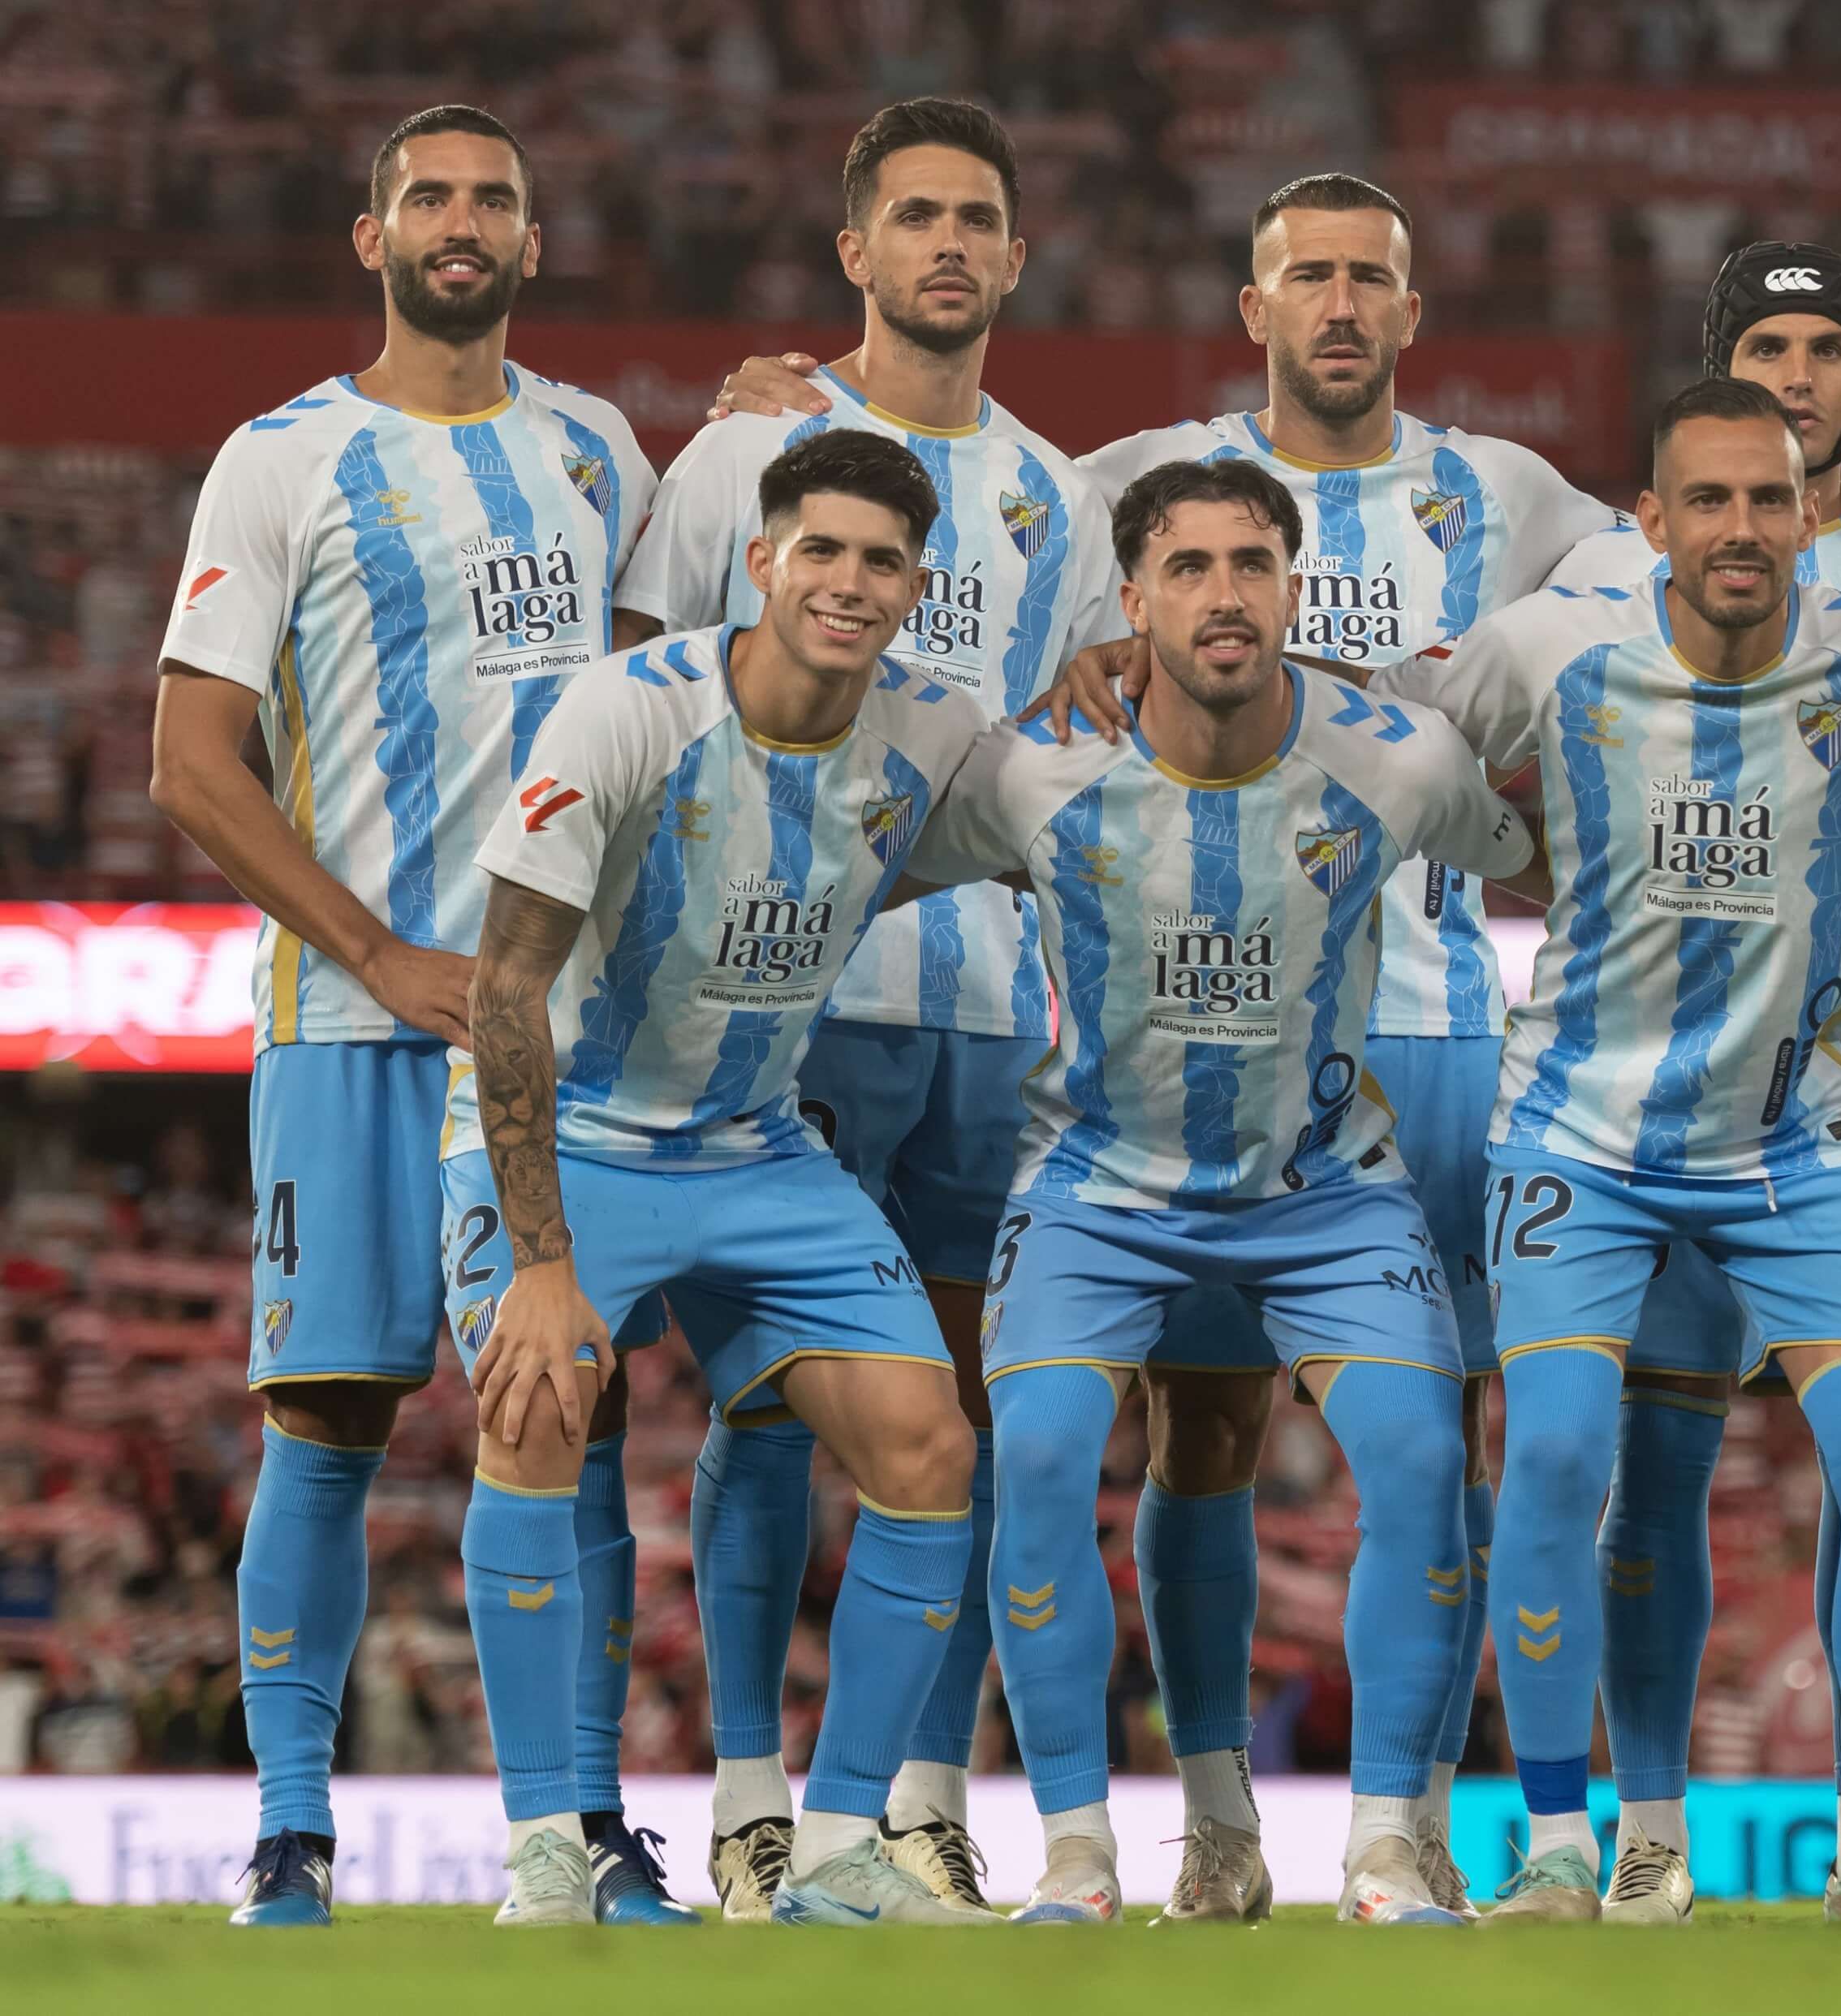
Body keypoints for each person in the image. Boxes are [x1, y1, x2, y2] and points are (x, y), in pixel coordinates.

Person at [709, 173, 1841, 1917]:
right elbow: (953, 516)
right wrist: (784, 404)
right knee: (1178, 1436)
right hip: (1166, 1051)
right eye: (1306, 274)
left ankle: (1420, 1829)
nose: (1339, 303)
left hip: (1448, 1044)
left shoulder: (1512, 497)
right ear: (1256, 305)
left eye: (1370, 276)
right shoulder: (1120, 477)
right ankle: (1134, 1811)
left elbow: (1708, 535)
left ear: (1409, 306)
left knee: (1466, 1458)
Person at [1352, 377, 1841, 1924]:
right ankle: (1554, 1849)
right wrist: (1501, 856)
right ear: (1649, 522)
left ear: (1811, 513)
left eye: (1770, 498)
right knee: (1556, 1456)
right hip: (1578, 1134)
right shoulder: (1551, 646)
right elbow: (1389, 741)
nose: (1743, 527)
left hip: (1798, 1142)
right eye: (1709, 501)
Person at [149, 105, 665, 1928]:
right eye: (429, 197)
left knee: (568, 1415)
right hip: (358, 1026)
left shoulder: (604, 451)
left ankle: (590, 1827)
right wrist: (373, 951)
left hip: (559, 1040)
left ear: (535, 239)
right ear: (368, 238)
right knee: (327, 1419)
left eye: (496, 198)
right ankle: (291, 1833)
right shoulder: (280, 458)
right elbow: (191, 765)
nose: (464, 222)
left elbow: (674, 701)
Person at [618, 97, 1123, 1919]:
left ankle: (914, 1801)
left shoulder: (1059, 494)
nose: (946, 244)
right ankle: (753, 1799)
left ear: (1013, 252)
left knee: (955, 1412)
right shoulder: (750, 446)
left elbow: (1058, 740)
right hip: (784, 1007)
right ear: (853, 249)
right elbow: (645, 676)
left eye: (977, 217)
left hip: (993, 1010)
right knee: (767, 1410)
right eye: (912, 214)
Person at [905, 459, 1532, 1928]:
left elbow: (1558, 864)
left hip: (1326, 1188)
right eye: (1186, 567)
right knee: (1046, 1462)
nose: (1223, 593)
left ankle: (1384, 1845)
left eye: (1252, 563)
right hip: (1096, 1187)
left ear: (1292, 588)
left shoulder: (1401, 758)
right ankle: (1081, 1849)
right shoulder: (1031, 766)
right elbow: (855, 869)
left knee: (1428, 1463)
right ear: (1132, 599)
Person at [443, 429, 994, 1928]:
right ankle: (546, 1847)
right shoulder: (626, 712)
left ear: (912, 588)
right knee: (541, 1399)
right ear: (762, 559)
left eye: (881, 561)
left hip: (758, 1142)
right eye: (820, 549)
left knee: (929, 1442)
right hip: (582, 1131)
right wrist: (544, 1260)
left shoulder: (940, 730)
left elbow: (1078, 813)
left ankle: (831, 1852)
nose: (848, 581)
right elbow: (503, 992)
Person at [1541, 243, 1841, 1923]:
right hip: (1645, 1082)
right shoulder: (1601, 563)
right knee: (1656, 1461)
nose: (1799, 373)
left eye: (1824, 349)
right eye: (1765, 345)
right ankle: (1647, 1828)